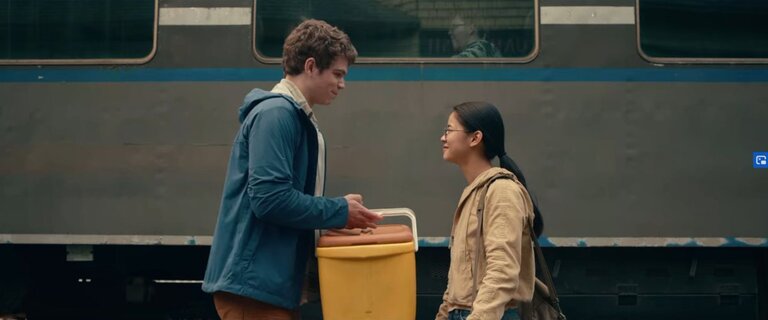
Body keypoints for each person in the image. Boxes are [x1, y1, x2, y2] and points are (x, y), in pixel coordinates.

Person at [202, 19, 383, 320]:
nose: (342, 84)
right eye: (337, 74)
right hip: (255, 287)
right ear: (311, 66)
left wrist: (336, 214)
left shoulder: (288, 114)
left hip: (265, 286)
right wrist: (338, 210)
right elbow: (270, 199)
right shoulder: (277, 115)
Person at [435, 102, 544, 320]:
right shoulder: (475, 192)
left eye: (449, 130)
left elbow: (503, 272)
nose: (443, 137)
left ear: (475, 138)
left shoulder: (502, 191)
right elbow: (460, 277)